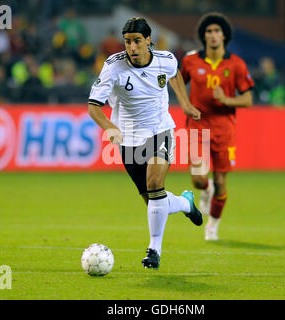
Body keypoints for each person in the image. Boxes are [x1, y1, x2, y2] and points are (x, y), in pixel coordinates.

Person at [88, 17, 202, 270]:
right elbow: (93, 106)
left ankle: (154, 250)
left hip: (160, 129)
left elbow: (175, 76)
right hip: (128, 138)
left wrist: (184, 104)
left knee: (154, 184)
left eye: (137, 41)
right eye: (128, 42)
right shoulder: (113, 67)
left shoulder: (166, 59)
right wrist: (110, 127)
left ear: (148, 40)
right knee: (153, 201)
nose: (132, 47)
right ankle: (185, 203)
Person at [181, 13, 254, 241]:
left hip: (224, 129)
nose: (213, 35)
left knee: (222, 182)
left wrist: (227, 100)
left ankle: (212, 225)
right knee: (199, 179)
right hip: (197, 125)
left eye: (217, 31)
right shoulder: (190, 61)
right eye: (209, 31)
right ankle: (206, 188)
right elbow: (176, 82)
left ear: (224, 35)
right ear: (203, 36)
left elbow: (248, 99)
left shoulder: (236, 64)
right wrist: (185, 103)